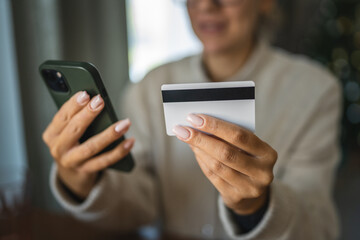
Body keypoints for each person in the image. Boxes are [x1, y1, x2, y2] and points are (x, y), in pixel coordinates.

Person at [42, 0, 342, 239]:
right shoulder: (149, 86)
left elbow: (317, 224)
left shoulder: (314, 90)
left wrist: (257, 208)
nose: (206, 6)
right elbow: (140, 202)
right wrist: (82, 182)